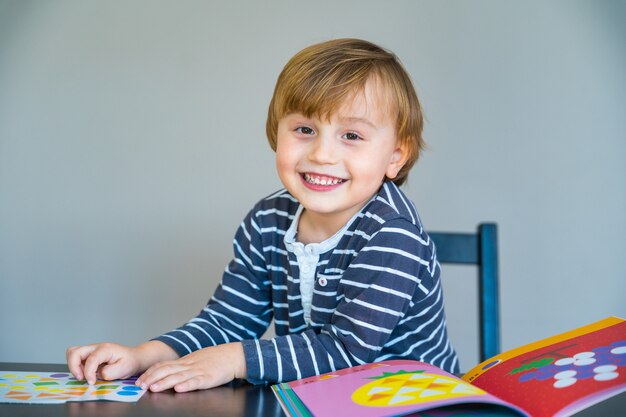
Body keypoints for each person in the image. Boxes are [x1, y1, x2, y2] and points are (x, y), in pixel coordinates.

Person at [66, 38, 459, 393]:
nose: (322, 154)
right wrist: (145, 354)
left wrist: (236, 360)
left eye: (351, 136)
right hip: (317, 397)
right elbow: (228, 321)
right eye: (304, 129)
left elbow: (347, 351)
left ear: (395, 156)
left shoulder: (393, 234)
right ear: (277, 133)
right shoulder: (268, 220)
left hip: (413, 399)